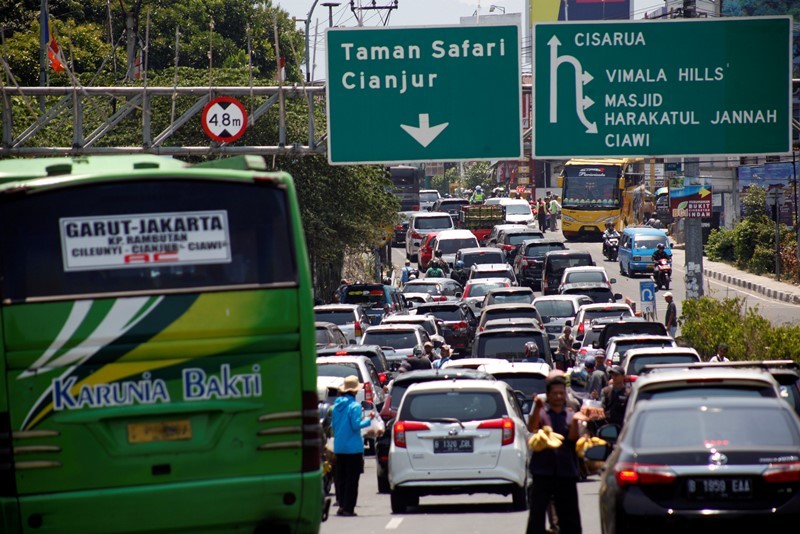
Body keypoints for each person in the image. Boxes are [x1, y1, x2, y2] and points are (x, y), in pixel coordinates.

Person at [526, 375, 587, 534]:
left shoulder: (570, 414)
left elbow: (573, 438)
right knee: (536, 516)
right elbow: (532, 428)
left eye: (562, 393)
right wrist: (537, 408)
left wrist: (575, 422)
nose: (559, 396)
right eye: (555, 393)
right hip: (542, 471)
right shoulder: (542, 413)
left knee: (570, 517)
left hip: (566, 471)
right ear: (548, 395)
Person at [331, 375, 376, 517]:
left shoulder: (335, 407)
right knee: (352, 479)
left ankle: (341, 505)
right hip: (353, 448)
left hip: (339, 447)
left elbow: (334, 426)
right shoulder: (355, 406)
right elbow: (356, 425)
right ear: (355, 391)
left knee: (341, 478)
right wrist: (369, 419)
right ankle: (348, 508)